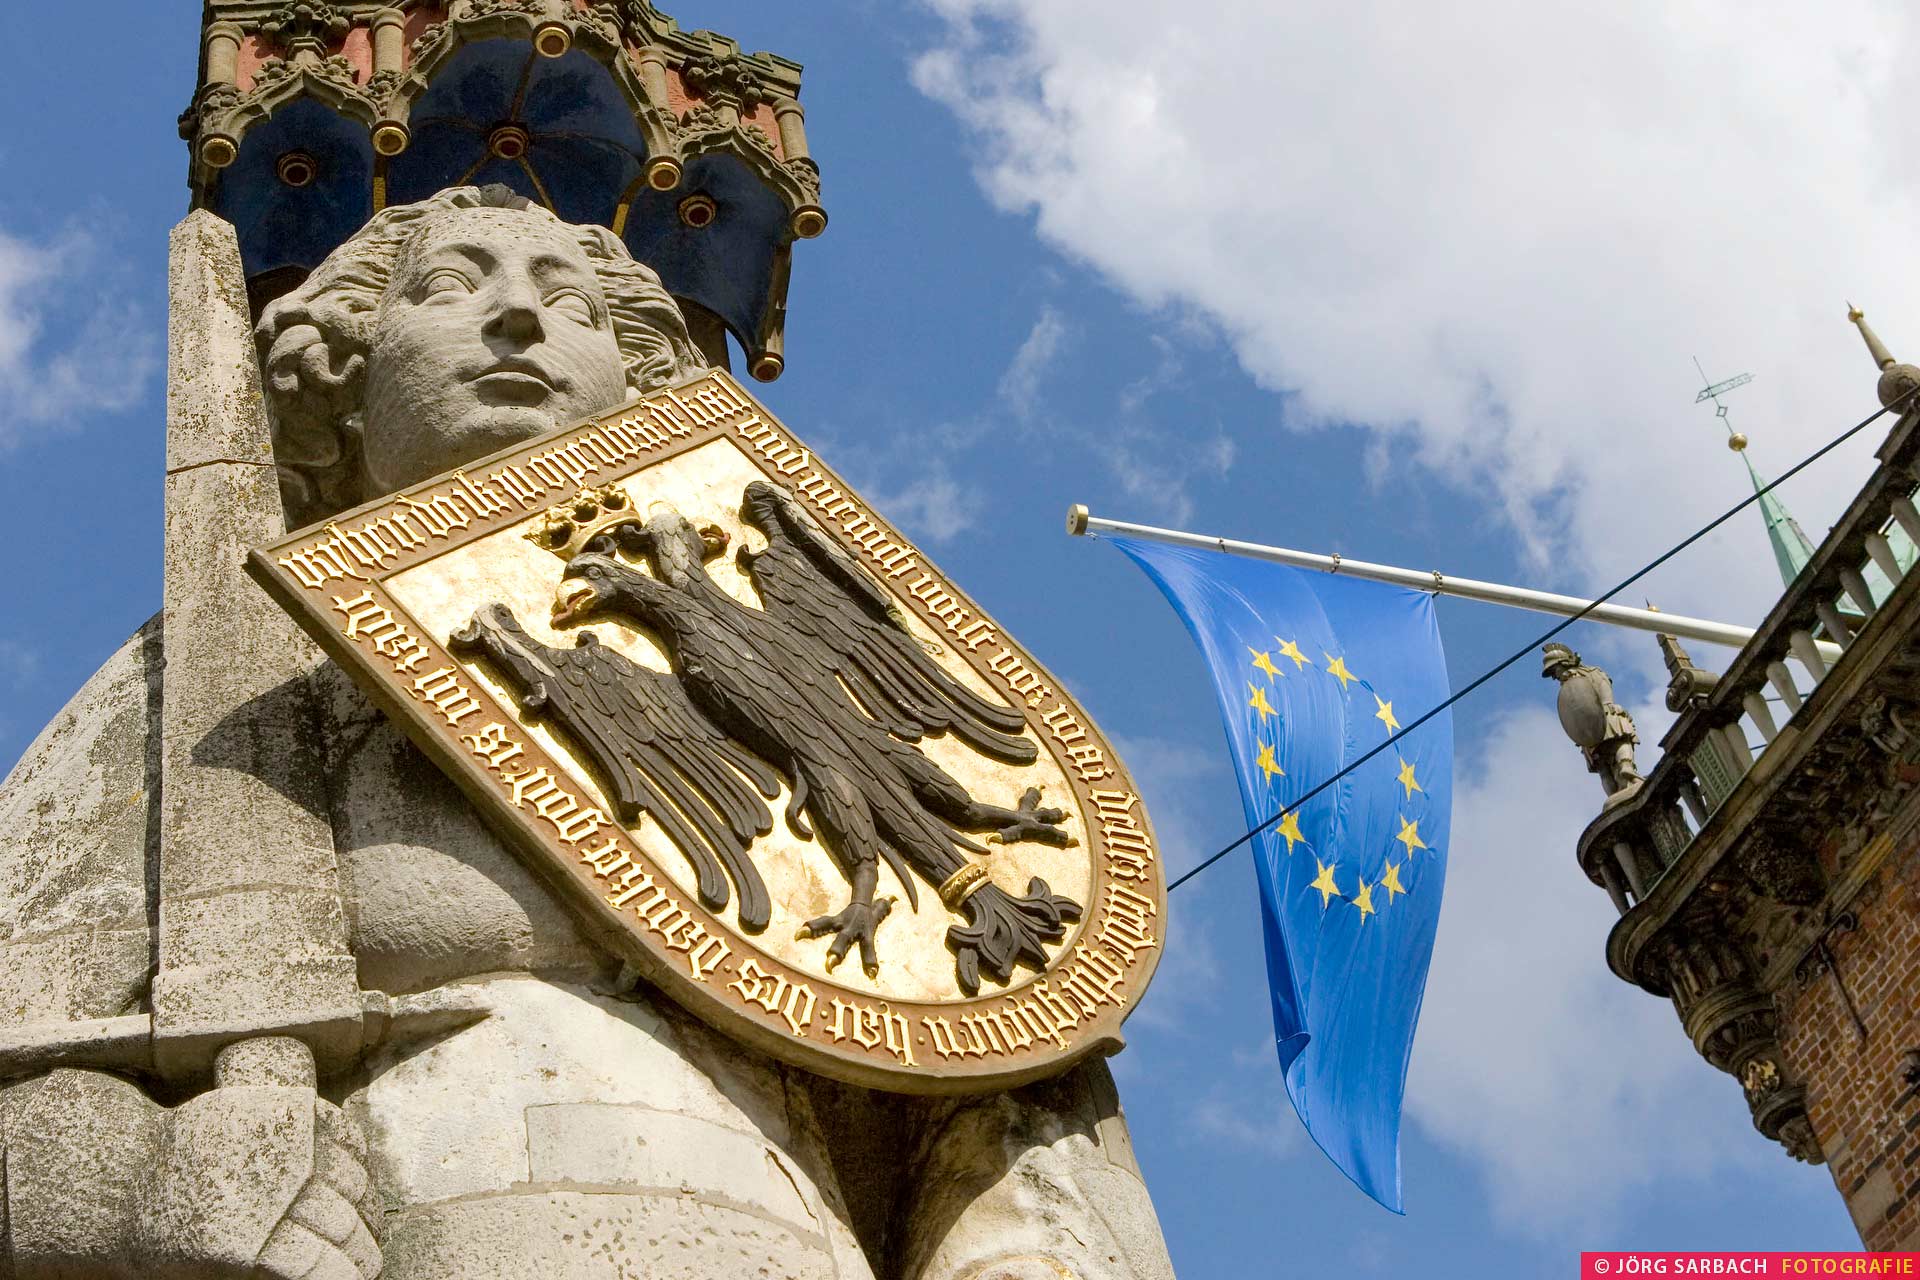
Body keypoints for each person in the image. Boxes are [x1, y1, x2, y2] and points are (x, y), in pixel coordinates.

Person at [0, 187, 1172, 1279]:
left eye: (567, 303)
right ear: (347, 374)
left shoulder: (784, 630)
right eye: (450, 287)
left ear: (634, 380)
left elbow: (1016, 1079)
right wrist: (144, 1184)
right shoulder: (226, 674)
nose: (516, 315)